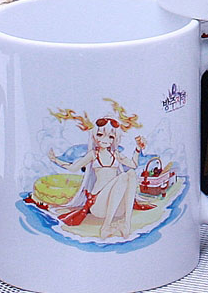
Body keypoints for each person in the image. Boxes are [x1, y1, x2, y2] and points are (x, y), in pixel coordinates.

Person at [46, 103, 145, 240]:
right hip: (99, 204)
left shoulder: (116, 154)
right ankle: (106, 226)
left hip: (117, 207)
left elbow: (133, 165)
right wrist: (55, 160)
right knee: (123, 177)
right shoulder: (93, 154)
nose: (105, 140)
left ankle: (126, 224)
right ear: (94, 137)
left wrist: (138, 149)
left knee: (131, 174)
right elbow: (74, 167)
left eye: (110, 137)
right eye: (100, 135)